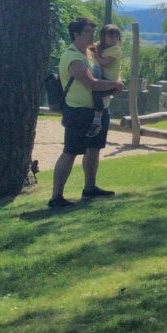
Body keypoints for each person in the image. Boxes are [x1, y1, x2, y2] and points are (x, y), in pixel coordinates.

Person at [49, 17, 126, 208]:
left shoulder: (90, 54)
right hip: (78, 111)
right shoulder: (73, 57)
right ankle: (56, 196)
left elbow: (107, 71)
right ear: (76, 34)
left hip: (98, 109)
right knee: (71, 151)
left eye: (93, 31)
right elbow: (91, 82)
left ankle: (90, 187)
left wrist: (116, 82)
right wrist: (115, 85)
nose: (93, 35)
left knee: (94, 149)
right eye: (88, 32)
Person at [87, 24, 123, 137]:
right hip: (102, 76)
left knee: (97, 94)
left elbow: (105, 63)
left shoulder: (115, 50)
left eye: (115, 37)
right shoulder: (101, 46)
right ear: (103, 37)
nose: (113, 40)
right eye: (110, 37)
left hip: (109, 80)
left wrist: (96, 55)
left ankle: (97, 120)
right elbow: (91, 46)